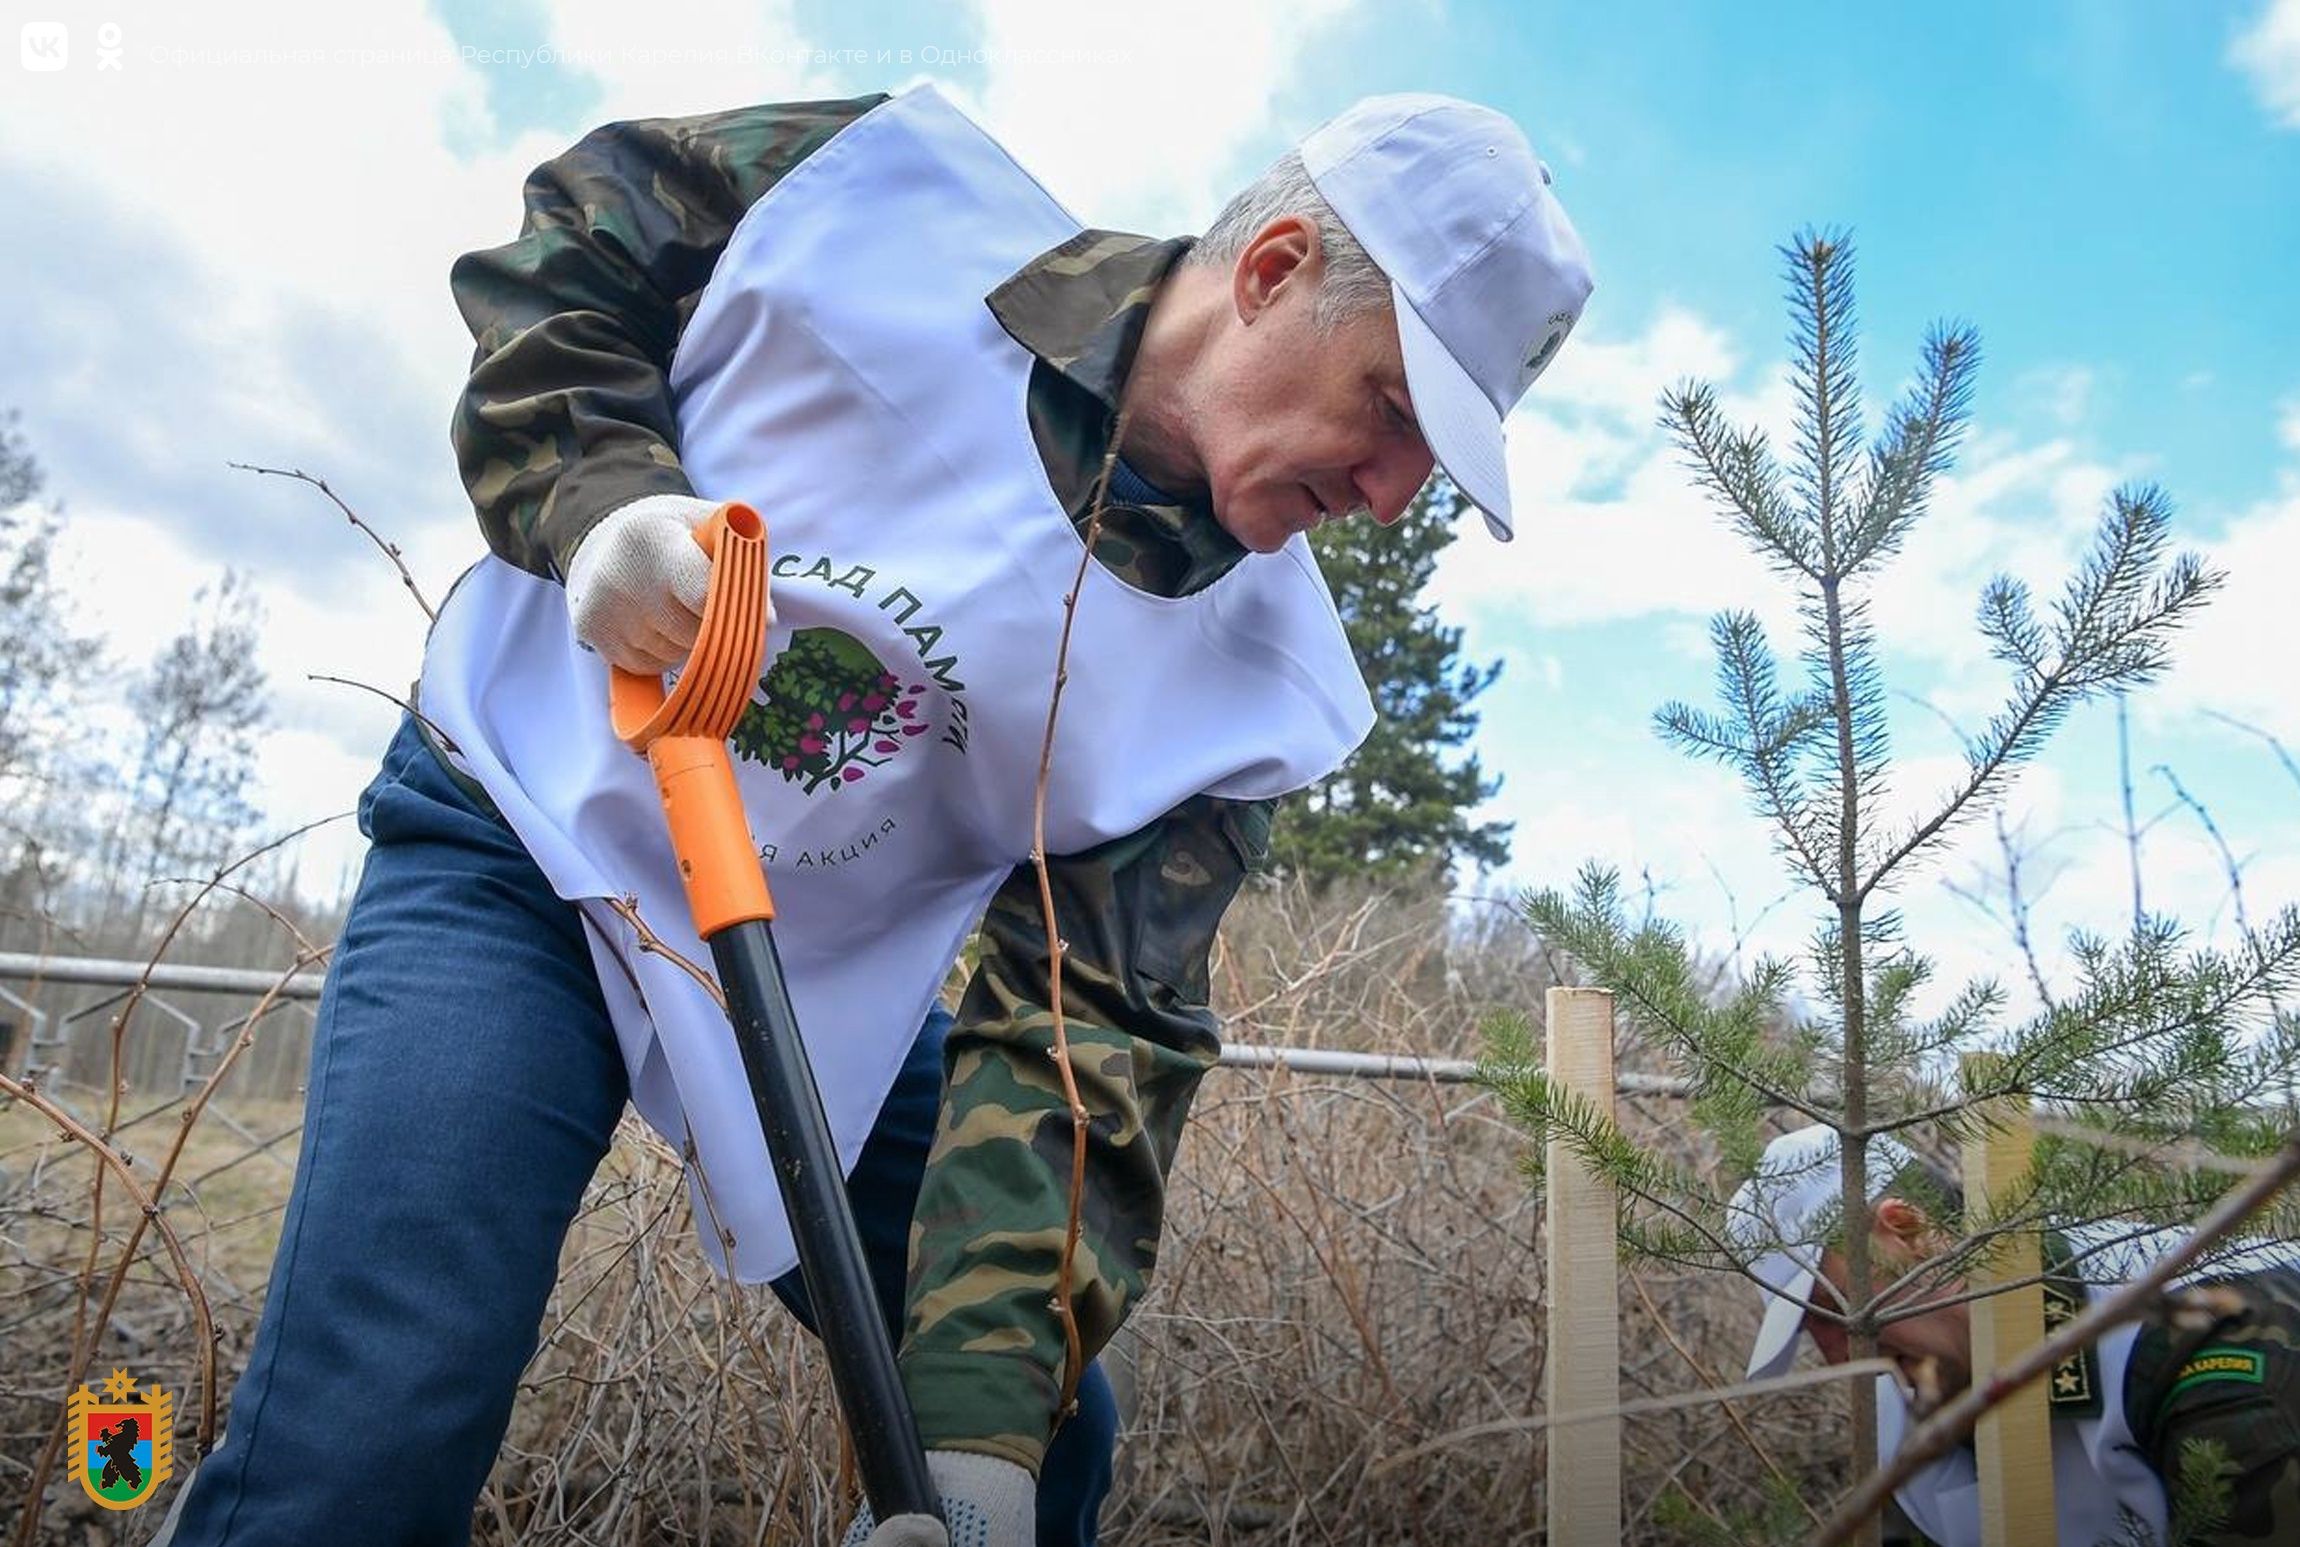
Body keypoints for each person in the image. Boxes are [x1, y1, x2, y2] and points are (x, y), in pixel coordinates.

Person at [153, 86, 1590, 1547]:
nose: (1392, 496)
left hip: (802, 991)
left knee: (1029, 1440)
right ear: (1274, 270)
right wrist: (601, 499)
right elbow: (578, 244)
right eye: (1393, 411)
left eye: (1432, 463)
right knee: (383, 1411)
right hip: (531, 837)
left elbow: (1081, 1041)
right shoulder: (875, 204)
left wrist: (972, 1453)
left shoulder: (1252, 688)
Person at [1728, 1123, 2300, 1546]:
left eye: (1832, 1311)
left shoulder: (2214, 1338)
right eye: (1811, 1330)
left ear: (1908, 1230)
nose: (1838, 1356)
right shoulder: (1904, 1407)